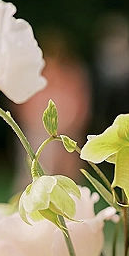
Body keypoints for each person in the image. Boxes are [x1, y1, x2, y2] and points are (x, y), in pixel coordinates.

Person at [13, 28, 91, 188]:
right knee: (35, 174)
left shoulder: (71, 72)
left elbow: (81, 101)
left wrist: (72, 123)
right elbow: (23, 101)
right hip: (38, 131)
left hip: (67, 131)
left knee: (67, 177)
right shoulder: (36, 72)